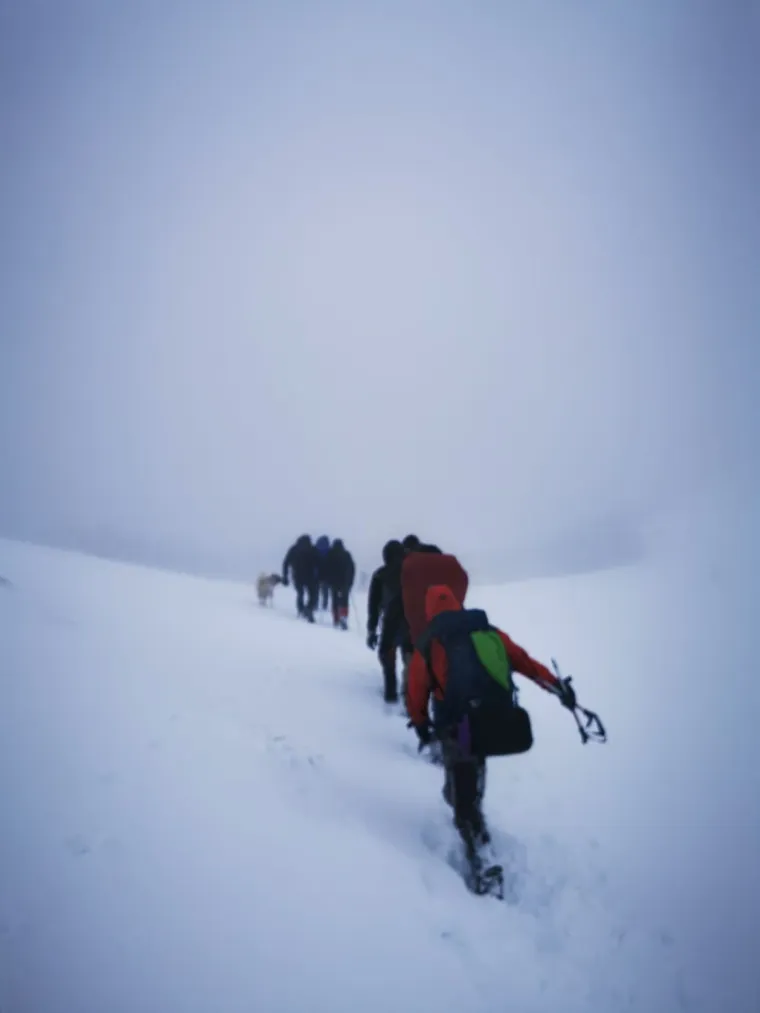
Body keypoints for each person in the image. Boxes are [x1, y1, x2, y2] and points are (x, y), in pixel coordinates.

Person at [406, 584, 575, 858]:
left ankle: (478, 849)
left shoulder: (429, 642)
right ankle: (472, 811)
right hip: (492, 718)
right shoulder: (488, 631)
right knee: (474, 764)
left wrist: (421, 724)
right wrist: (557, 687)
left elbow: (416, 690)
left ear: (429, 610)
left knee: (461, 779)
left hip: (456, 725)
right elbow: (525, 662)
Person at [366, 539, 408, 703]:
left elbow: (373, 605)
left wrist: (371, 629)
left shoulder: (380, 574)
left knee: (387, 655)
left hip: (391, 621)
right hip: (412, 621)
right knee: (410, 657)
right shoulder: (411, 572)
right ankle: (411, 694)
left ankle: (391, 691)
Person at [281, 535, 319, 622]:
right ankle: (309, 608)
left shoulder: (294, 549)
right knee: (312, 595)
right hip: (310, 576)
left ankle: (301, 609)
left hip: (297, 576)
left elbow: (286, 563)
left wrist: (285, 576)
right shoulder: (313, 549)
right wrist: (320, 576)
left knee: (300, 593)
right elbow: (319, 563)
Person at [326, 538, 355, 630]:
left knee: (335, 600)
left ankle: (336, 618)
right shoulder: (346, 555)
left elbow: (325, 567)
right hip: (344, 582)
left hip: (333, 582)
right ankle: (344, 616)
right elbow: (352, 569)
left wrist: (326, 580)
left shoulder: (330, 554)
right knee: (344, 601)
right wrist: (350, 582)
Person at [315, 535, 331, 610]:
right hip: (327, 575)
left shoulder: (316, 550)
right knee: (325, 591)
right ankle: (325, 604)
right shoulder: (330, 551)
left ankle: (315, 604)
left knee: (316, 590)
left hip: (317, 574)